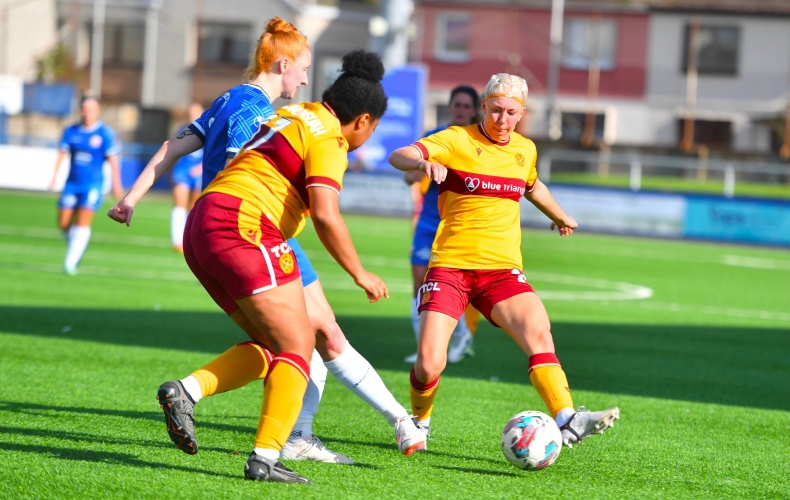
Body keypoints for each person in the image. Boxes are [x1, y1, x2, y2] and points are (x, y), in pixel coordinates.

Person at [108, 23, 424, 466]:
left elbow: (180, 147)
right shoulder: (310, 128)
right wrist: (360, 273)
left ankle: (192, 392)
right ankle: (274, 453)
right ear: (364, 120)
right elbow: (325, 212)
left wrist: (130, 197)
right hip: (250, 225)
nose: (303, 78)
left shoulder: (286, 113)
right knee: (306, 340)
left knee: (290, 342)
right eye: (302, 69)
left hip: (206, 222)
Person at [388, 73, 619, 455]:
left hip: (501, 270)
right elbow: (401, 155)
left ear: (521, 113)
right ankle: (419, 421)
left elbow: (532, 186)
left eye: (511, 112)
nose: (502, 119)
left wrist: (561, 215)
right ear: (483, 107)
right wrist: (422, 162)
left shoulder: (524, 150)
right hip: (451, 266)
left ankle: (567, 418)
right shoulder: (456, 139)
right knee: (429, 364)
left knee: (539, 332)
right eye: (495, 110)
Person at [403, 85, 481, 365]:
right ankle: (424, 348)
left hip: (458, 224)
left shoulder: (478, 143)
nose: (460, 110)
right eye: (456, 105)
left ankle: (460, 335)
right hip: (428, 221)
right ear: (450, 107)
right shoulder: (434, 138)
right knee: (419, 284)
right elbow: (410, 173)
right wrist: (415, 173)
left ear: (474, 110)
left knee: (454, 286)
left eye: (465, 106)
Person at [50, 95, 123, 275]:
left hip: (93, 185)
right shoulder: (71, 131)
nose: (87, 112)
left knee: (82, 222)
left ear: (97, 111)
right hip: (71, 184)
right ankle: (78, 246)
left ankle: (70, 264)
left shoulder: (104, 133)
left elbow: (113, 161)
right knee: (64, 223)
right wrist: (54, 177)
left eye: (90, 109)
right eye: (84, 108)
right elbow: (62, 154)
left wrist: (116, 184)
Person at [170, 103, 204, 253]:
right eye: (190, 114)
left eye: (195, 114)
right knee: (179, 204)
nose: (192, 117)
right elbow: (174, 151)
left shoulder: (208, 131)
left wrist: (200, 168)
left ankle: (190, 239)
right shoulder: (182, 130)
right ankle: (177, 241)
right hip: (183, 171)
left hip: (200, 172)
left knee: (194, 207)